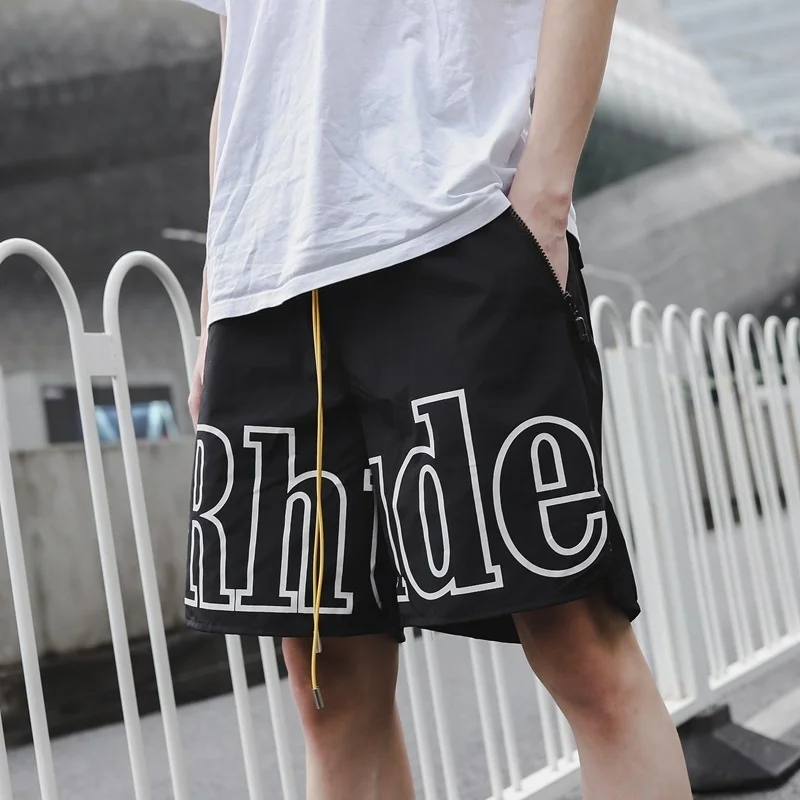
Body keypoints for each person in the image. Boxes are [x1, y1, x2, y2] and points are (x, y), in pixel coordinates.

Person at [179, 0, 693, 797]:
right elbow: (243, 46)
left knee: (577, 642)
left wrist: (544, 197)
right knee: (329, 687)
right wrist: (219, 286)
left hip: (452, 215)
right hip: (268, 270)